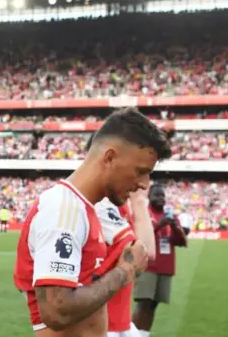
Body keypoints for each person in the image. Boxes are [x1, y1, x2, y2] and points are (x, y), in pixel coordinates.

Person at [13, 107, 172, 337]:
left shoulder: (85, 209)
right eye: (140, 171)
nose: (145, 184)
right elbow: (57, 310)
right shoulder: (63, 208)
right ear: (109, 158)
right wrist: (124, 272)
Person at [96, 192, 156, 337]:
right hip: (103, 325)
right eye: (139, 172)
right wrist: (138, 199)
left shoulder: (119, 204)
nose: (143, 182)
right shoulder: (102, 203)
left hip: (119, 322)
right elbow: (145, 251)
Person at [132, 184, 188, 337]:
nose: (160, 198)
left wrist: (176, 228)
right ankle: (130, 334)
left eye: (162, 196)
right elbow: (139, 236)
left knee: (153, 305)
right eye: (157, 195)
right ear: (149, 197)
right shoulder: (144, 214)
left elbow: (182, 243)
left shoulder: (171, 216)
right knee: (144, 303)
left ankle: (143, 334)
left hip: (165, 267)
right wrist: (158, 224)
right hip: (148, 267)